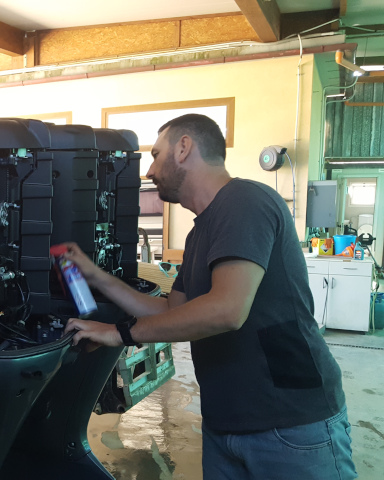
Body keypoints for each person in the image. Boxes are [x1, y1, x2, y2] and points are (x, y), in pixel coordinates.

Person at [61, 114, 356, 479]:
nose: (150, 170)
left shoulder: (244, 201)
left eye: (155, 154)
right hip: (226, 423)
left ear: (184, 148)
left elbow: (226, 310)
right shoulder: (200, 231)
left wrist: (118, 333)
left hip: (289, 424)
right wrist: (96, 276)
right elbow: (173, 311)